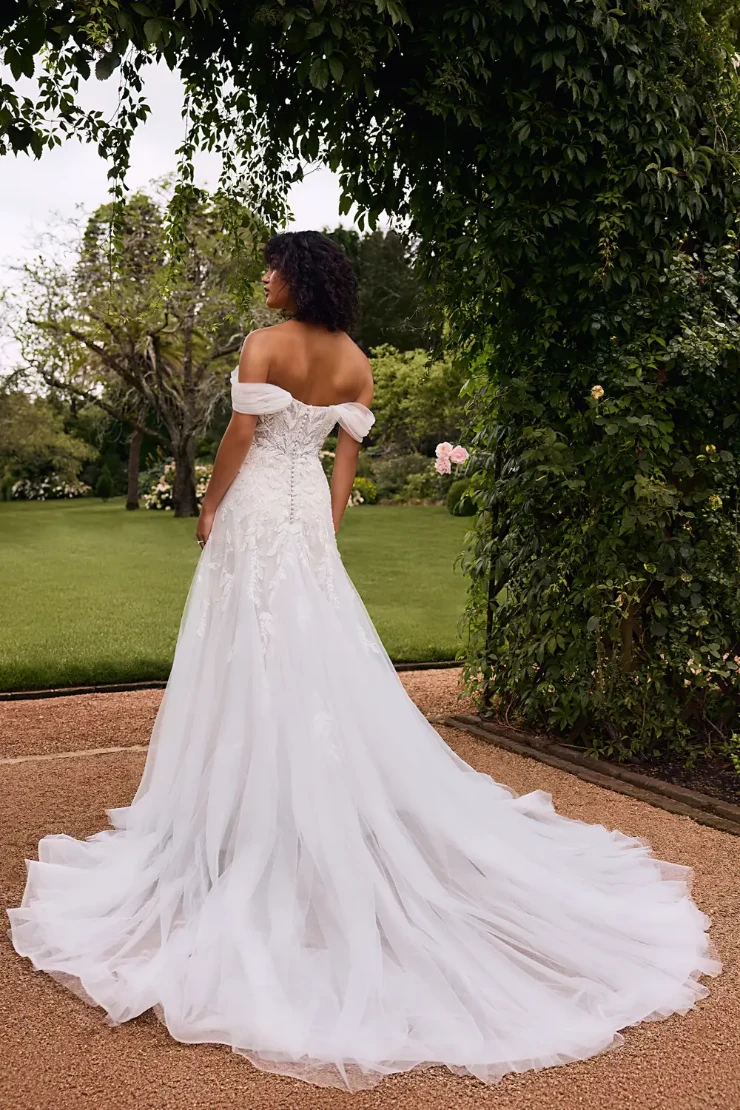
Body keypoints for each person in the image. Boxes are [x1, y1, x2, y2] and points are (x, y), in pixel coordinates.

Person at [8, 231, 720, 1093]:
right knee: (311, 651)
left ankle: (246, 815)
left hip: (259, 507)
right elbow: (342, 459)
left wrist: (211, 505)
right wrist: (326, 530)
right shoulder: (356, 361)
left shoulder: (264, 345)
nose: (264, 278)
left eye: (271, 267)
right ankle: (294, 801)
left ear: (295, 277)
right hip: (307, 509)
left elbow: (240, 434)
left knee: (246, 653)